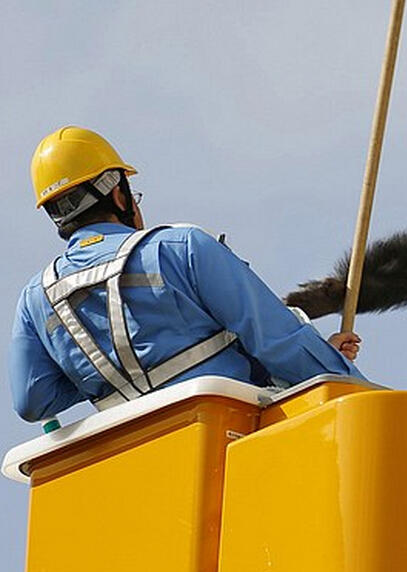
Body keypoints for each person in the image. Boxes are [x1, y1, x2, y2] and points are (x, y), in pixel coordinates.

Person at [9, 126, 364, 423]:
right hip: (229, 437)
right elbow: (278, 341)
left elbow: (33, 400)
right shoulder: (180, 248)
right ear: (119, 193)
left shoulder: (35, 299)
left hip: (135, 463)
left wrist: (97, 372)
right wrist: (350, 386)